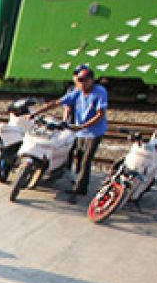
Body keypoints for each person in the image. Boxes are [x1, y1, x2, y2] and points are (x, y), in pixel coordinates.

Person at [34, 64, 108, 203]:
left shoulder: (100, 92)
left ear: (92, 80)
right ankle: (78, 183)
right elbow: (58, 102)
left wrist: (81, 126)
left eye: (85, 80)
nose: (82, 83)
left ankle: (80, 189)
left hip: (94, 131)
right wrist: (36, 112)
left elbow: (100, 115)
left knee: (86, 159)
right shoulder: (77, 91)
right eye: (79, 80)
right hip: (80, 131)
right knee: (78, 156)